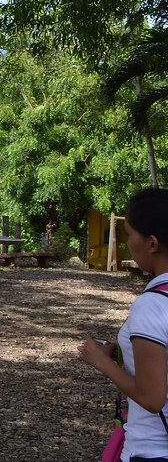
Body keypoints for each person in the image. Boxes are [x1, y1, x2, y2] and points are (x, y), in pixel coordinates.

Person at [80, 188, 168, 462]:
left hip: (153, 450)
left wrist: (100, 360)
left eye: (130, 234)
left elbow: (152, 398)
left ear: (151, 243)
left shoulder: (151, 305)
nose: (127, 242)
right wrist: (121, 347)